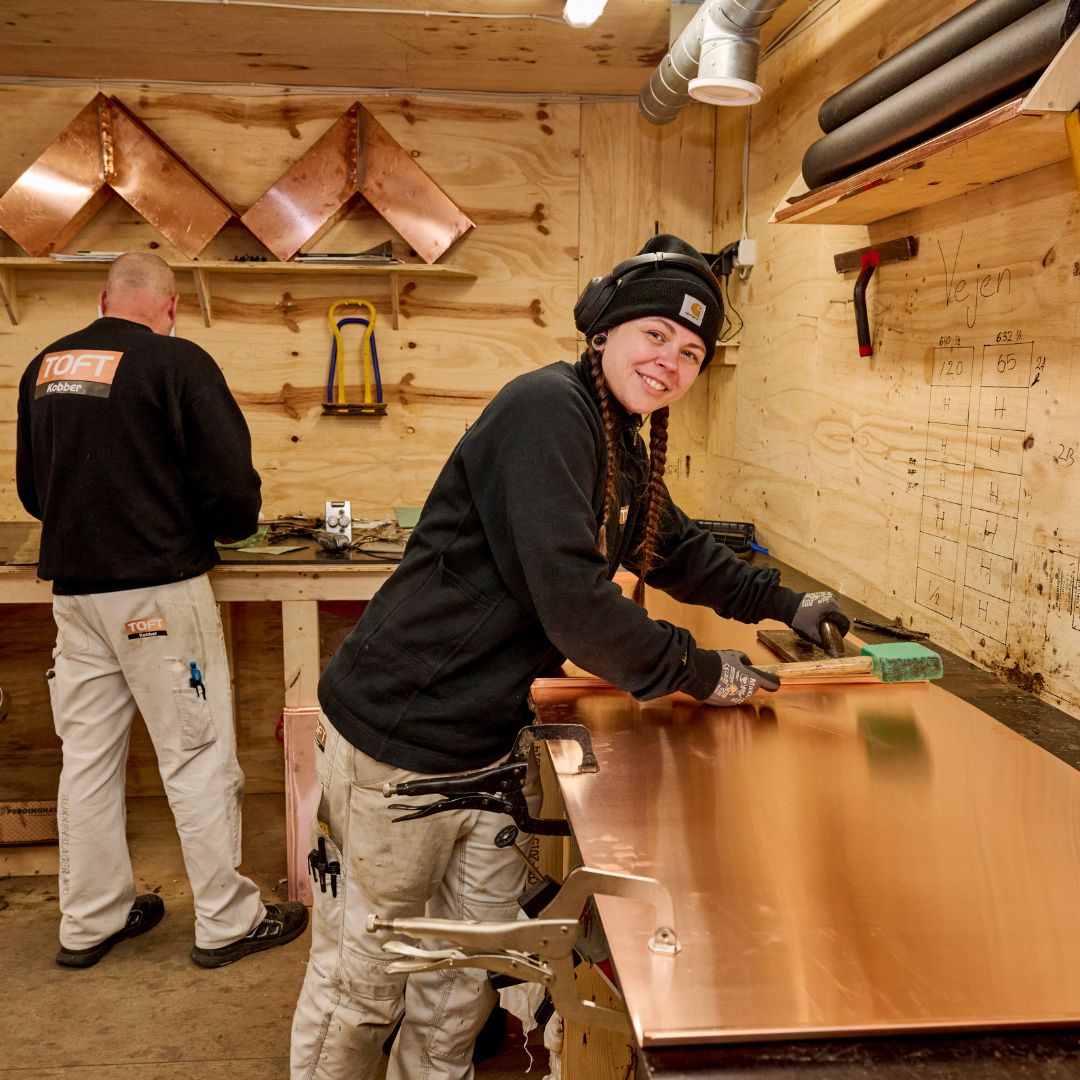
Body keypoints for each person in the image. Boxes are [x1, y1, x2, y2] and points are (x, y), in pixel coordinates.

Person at [289, 234, 851, 1079]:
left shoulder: (616, 439)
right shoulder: (546, 411)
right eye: (656, 335)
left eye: (691, 353)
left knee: (464, 975)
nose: (670, 362)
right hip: (397, 742)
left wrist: (785, 604)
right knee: (365, 980)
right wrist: (699, 671)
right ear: (604, 329)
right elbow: (575, 603)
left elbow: (674, 546)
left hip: (482, 746)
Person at [15, 252, 307, 970]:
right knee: (197, 755)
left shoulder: (45, 366)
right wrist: (224, 528)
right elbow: (231, 490)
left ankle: (90, 921)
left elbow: (32, 491)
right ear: (171, 306)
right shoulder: (177, 363)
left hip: (75, 597)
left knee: (87, 761)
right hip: (157, 595)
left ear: (103, 299)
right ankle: (227, 923)